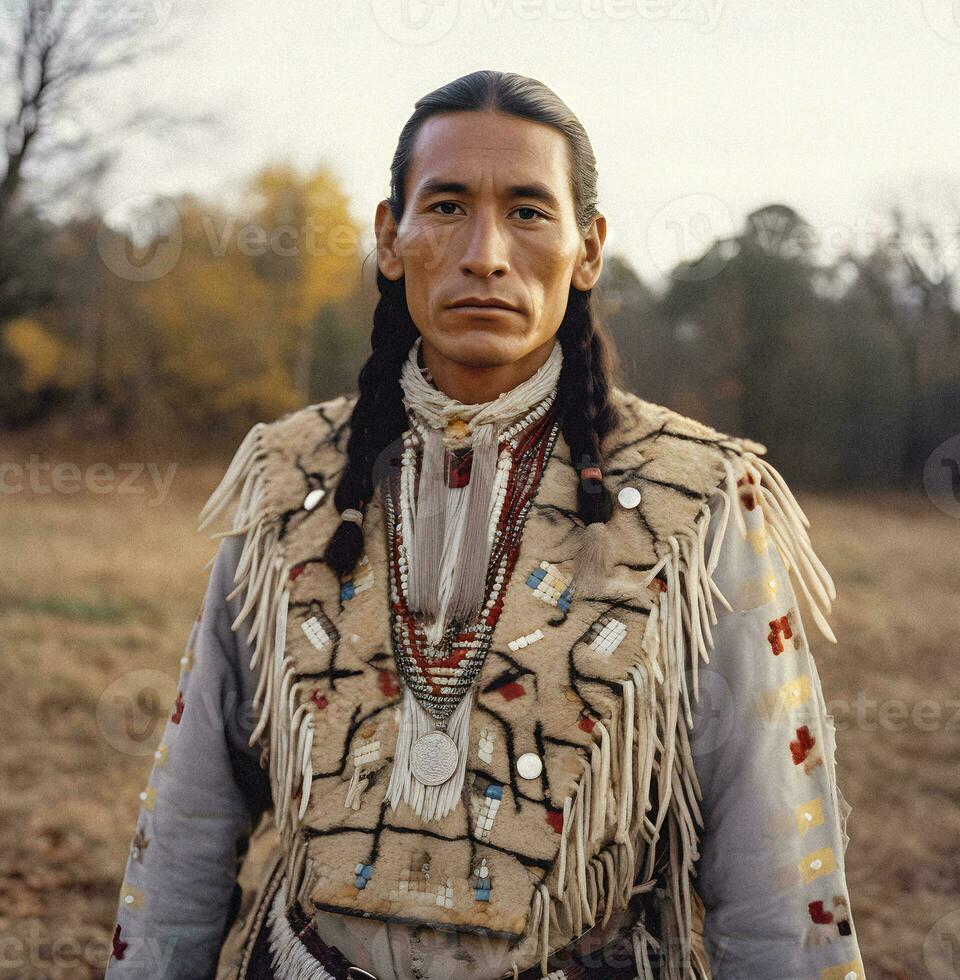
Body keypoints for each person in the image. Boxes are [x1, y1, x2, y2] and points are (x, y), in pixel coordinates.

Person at [104, 70, 865, 980]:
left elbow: (775, 858)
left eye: (530, 212)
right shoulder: (289, 480)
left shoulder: (695, 498)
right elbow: (191, 817)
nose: (486, 253)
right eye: (448, 206)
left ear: (589, 250)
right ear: (392, 238)